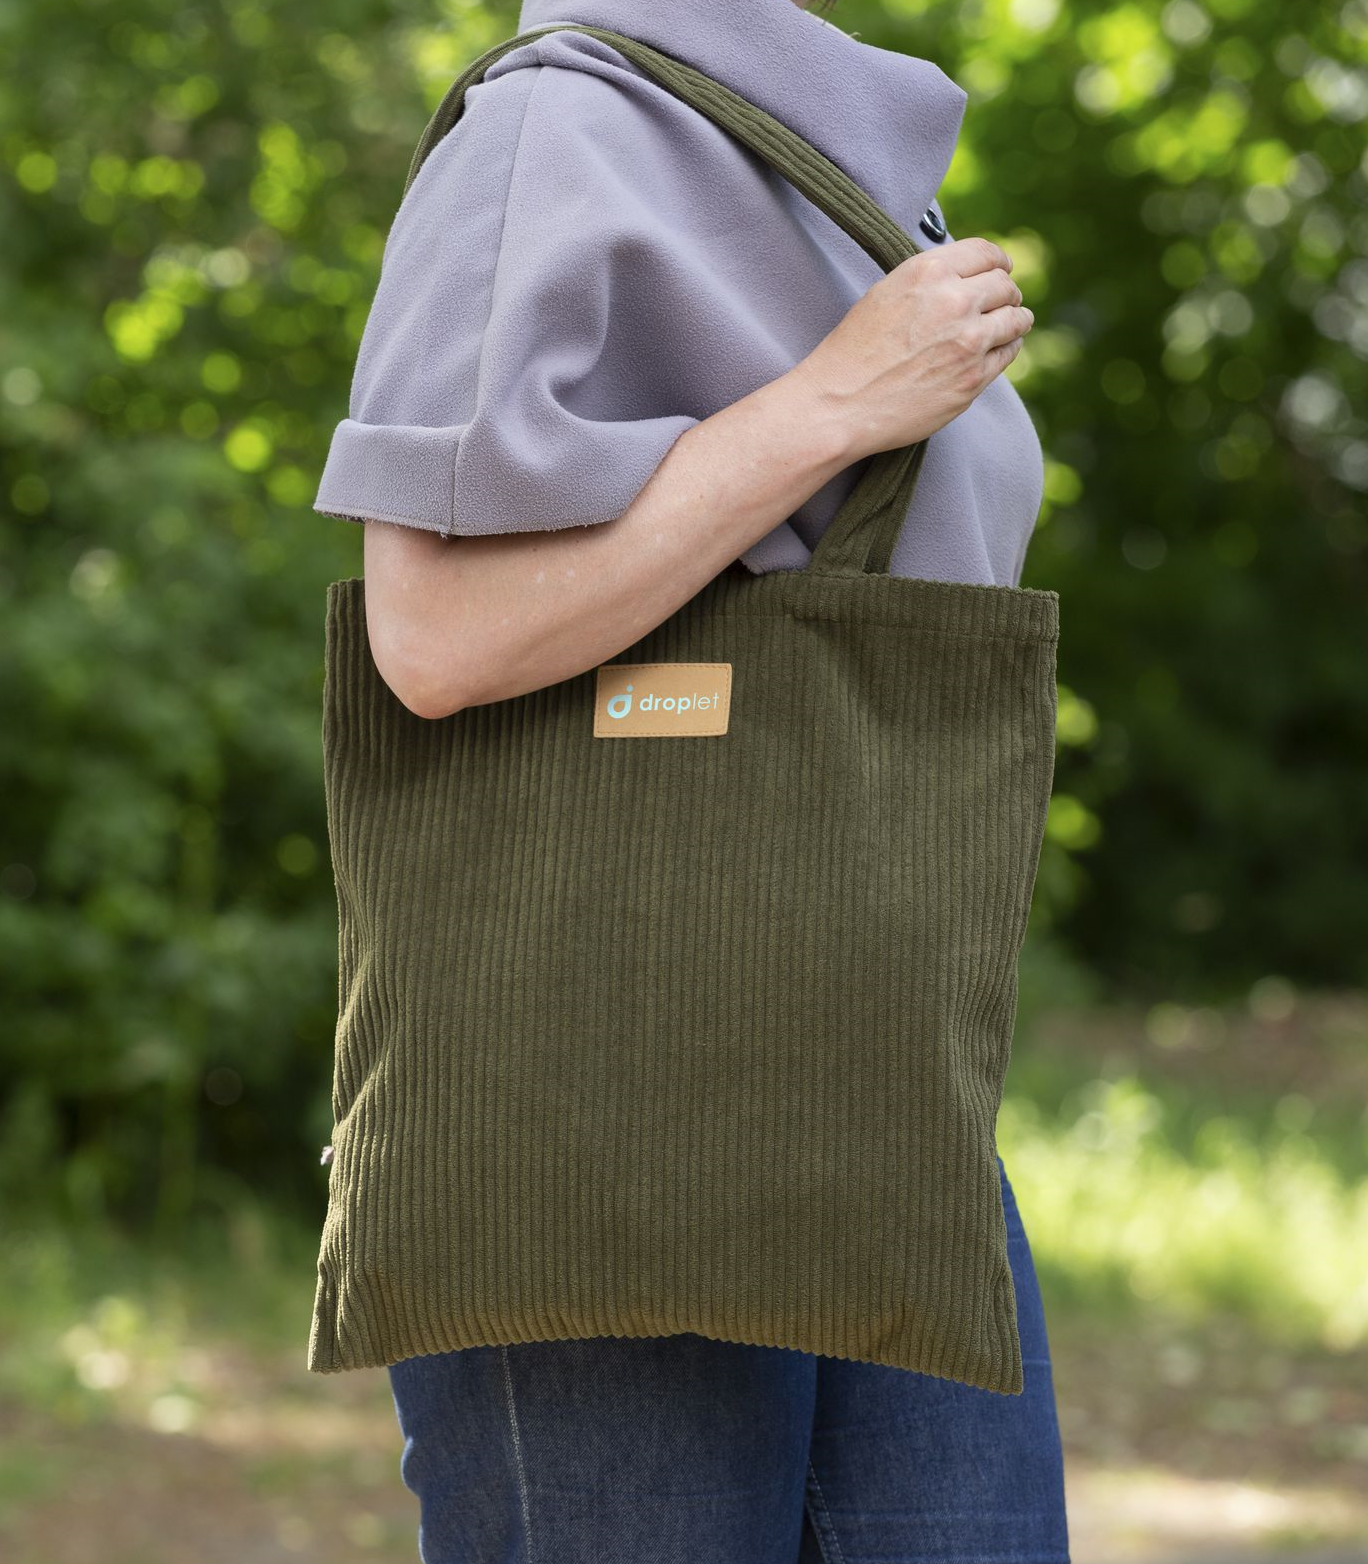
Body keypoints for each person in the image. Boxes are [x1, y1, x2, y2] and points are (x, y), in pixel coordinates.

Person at [312, 0, 1070, 1558]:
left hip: (879, 1090)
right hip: (598, 1087)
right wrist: (830, 407)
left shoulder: (840, 160)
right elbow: (435, 635)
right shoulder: (554, 132)